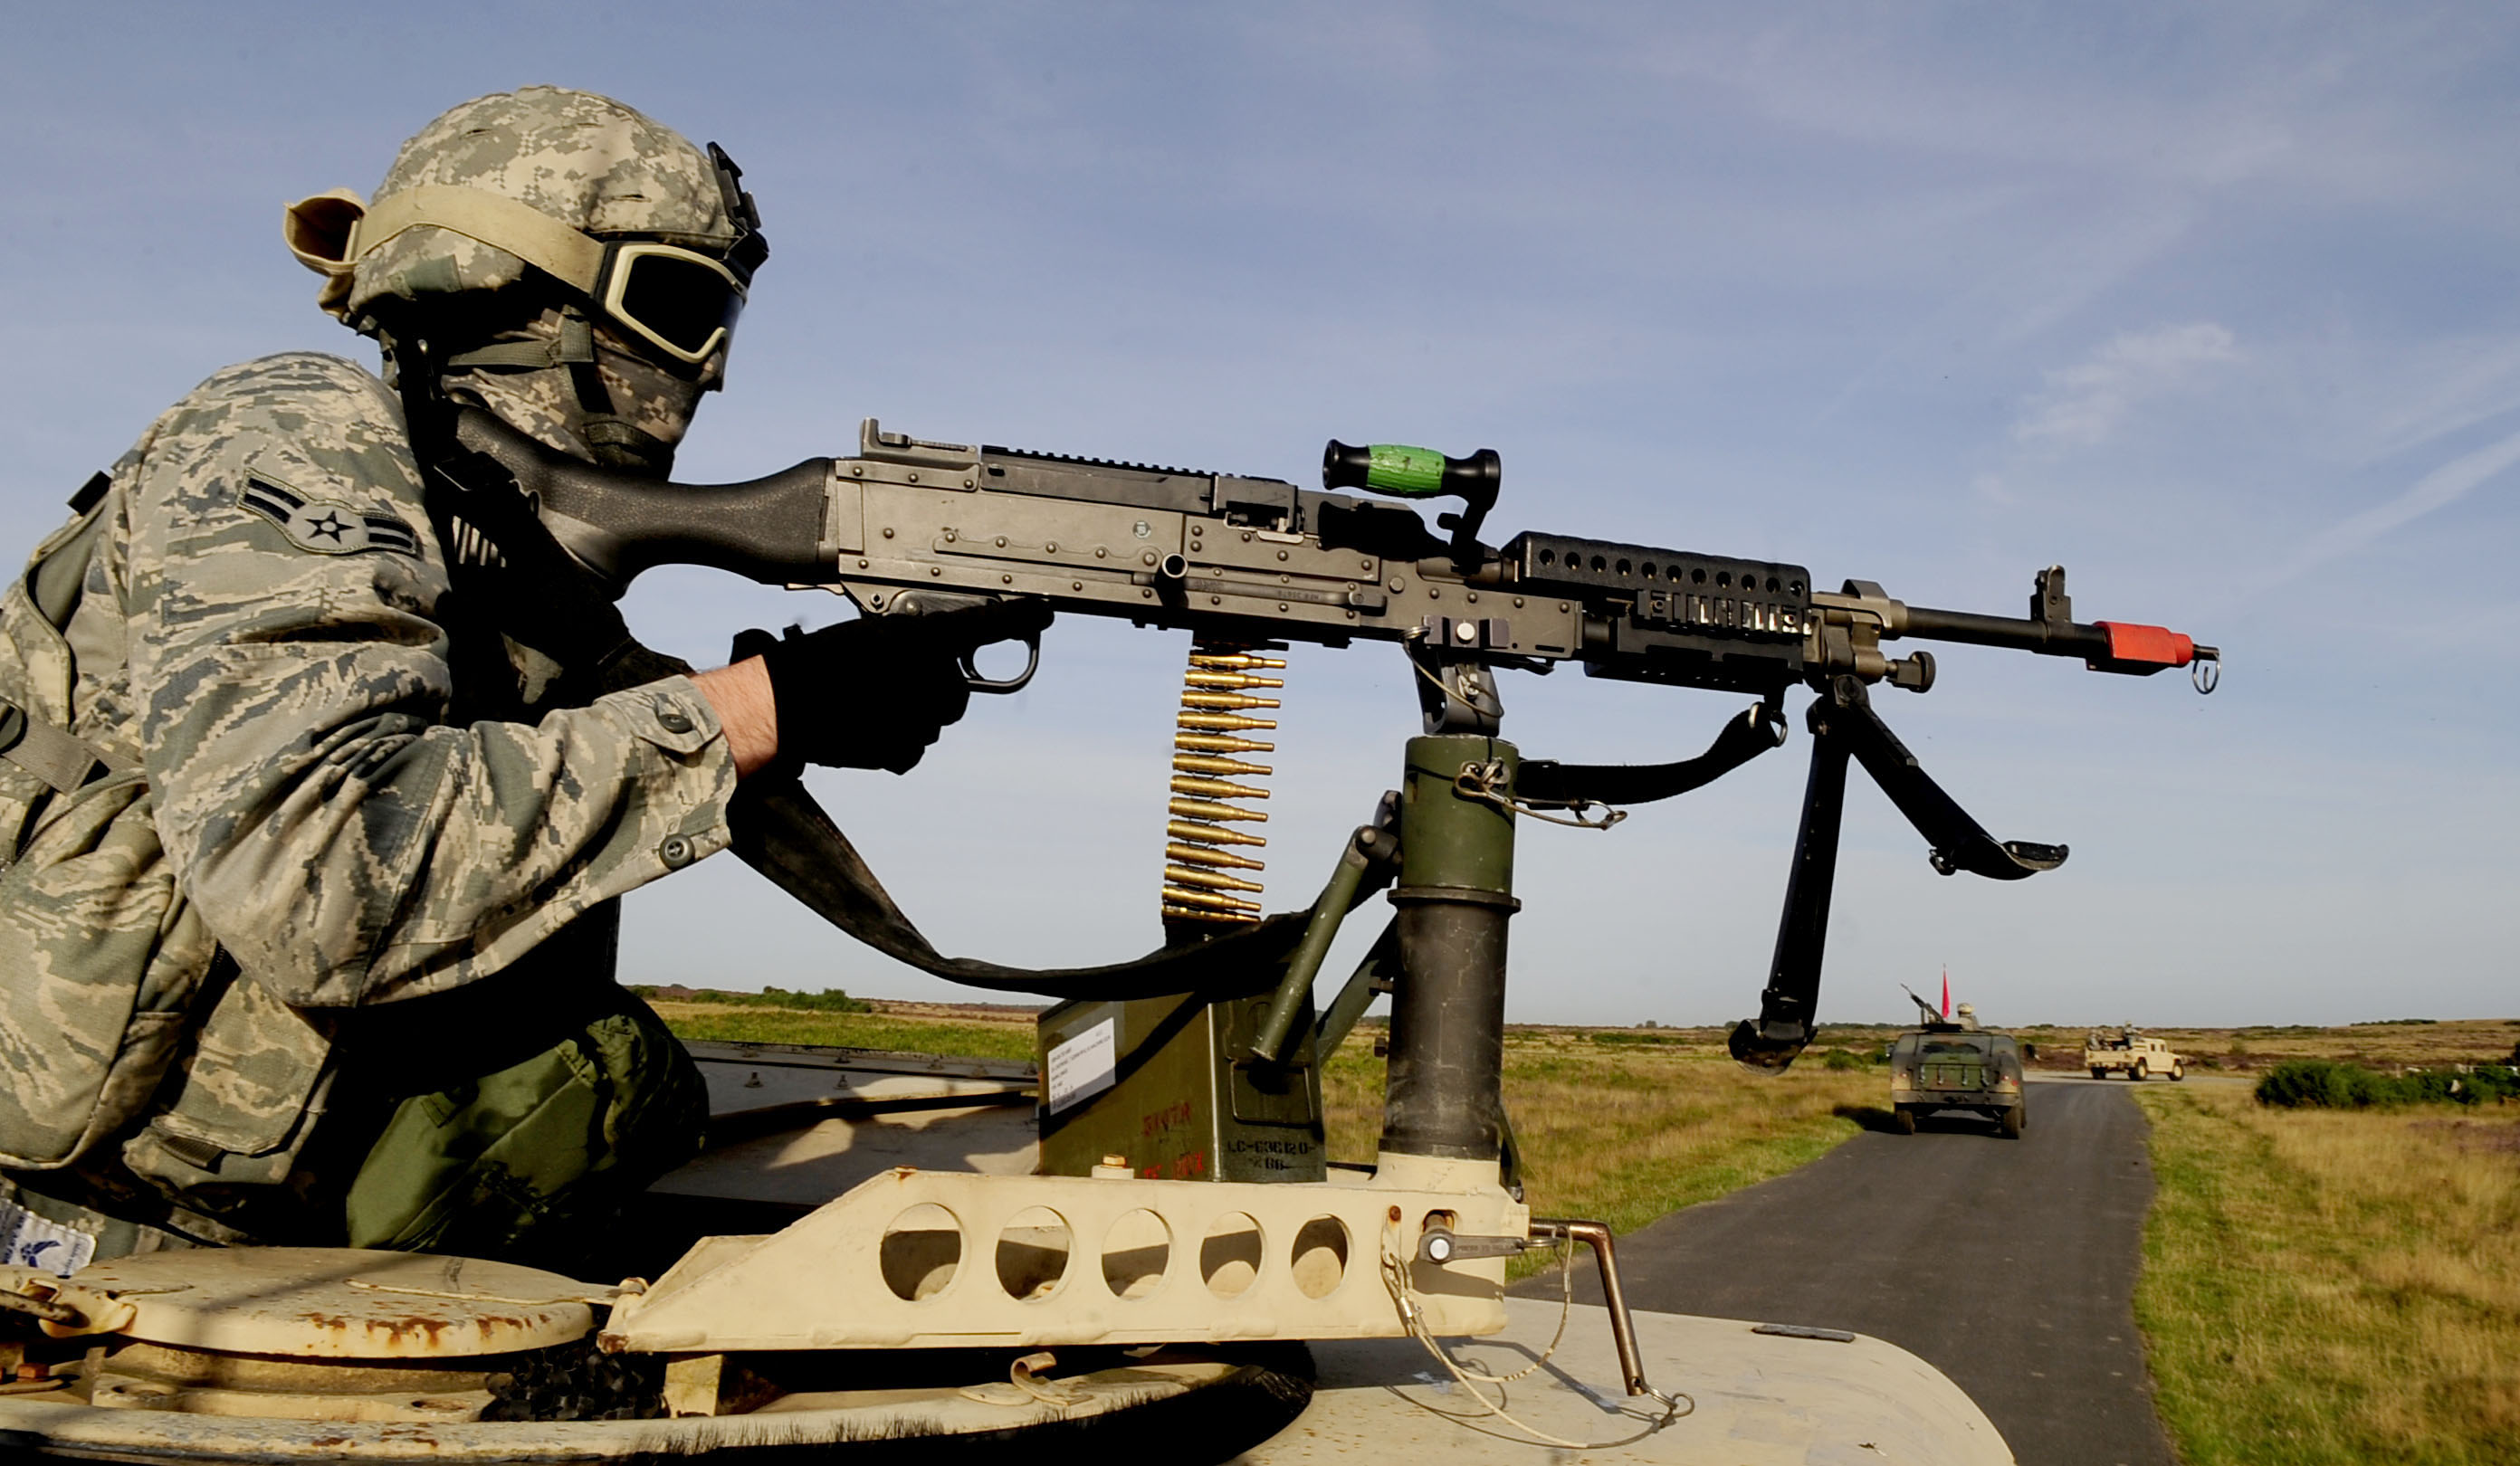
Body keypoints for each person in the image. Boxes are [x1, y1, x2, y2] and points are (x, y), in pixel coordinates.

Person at [0, 87, 1022, 1272]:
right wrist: (757, 713)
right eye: (683, 305)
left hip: (263, 1247)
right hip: (87, 1252)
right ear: (509, 286)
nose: (708, 376)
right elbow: (320, 883)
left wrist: (769, 714)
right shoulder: (297, 430)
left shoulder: (486, 549)